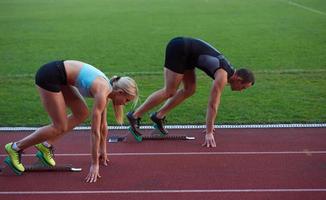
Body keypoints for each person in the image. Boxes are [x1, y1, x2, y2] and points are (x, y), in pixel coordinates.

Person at [4, 60, 139, 183]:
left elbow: (103, 126)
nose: (125, 104)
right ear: (120, 92)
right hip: (49, 76)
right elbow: (94, 131)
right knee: (59, 126)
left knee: (82, 113)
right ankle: (16, 147)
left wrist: (103, 151)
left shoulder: (107, 90)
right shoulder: (103, 92)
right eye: (127, 100)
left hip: (62, 77)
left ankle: (45, 145)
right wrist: (94, 164)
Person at [126, 36, 255, 147]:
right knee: (170, 91)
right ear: (238, 79)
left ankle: (158, 116)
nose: (241, 91)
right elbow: (212, 105)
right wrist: (209, 131)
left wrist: (210, 125)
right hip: (180, 48)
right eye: (243, 87)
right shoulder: (222, 76)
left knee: (190, 89)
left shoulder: (229, 72)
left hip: (189, 54)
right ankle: (135, 116)